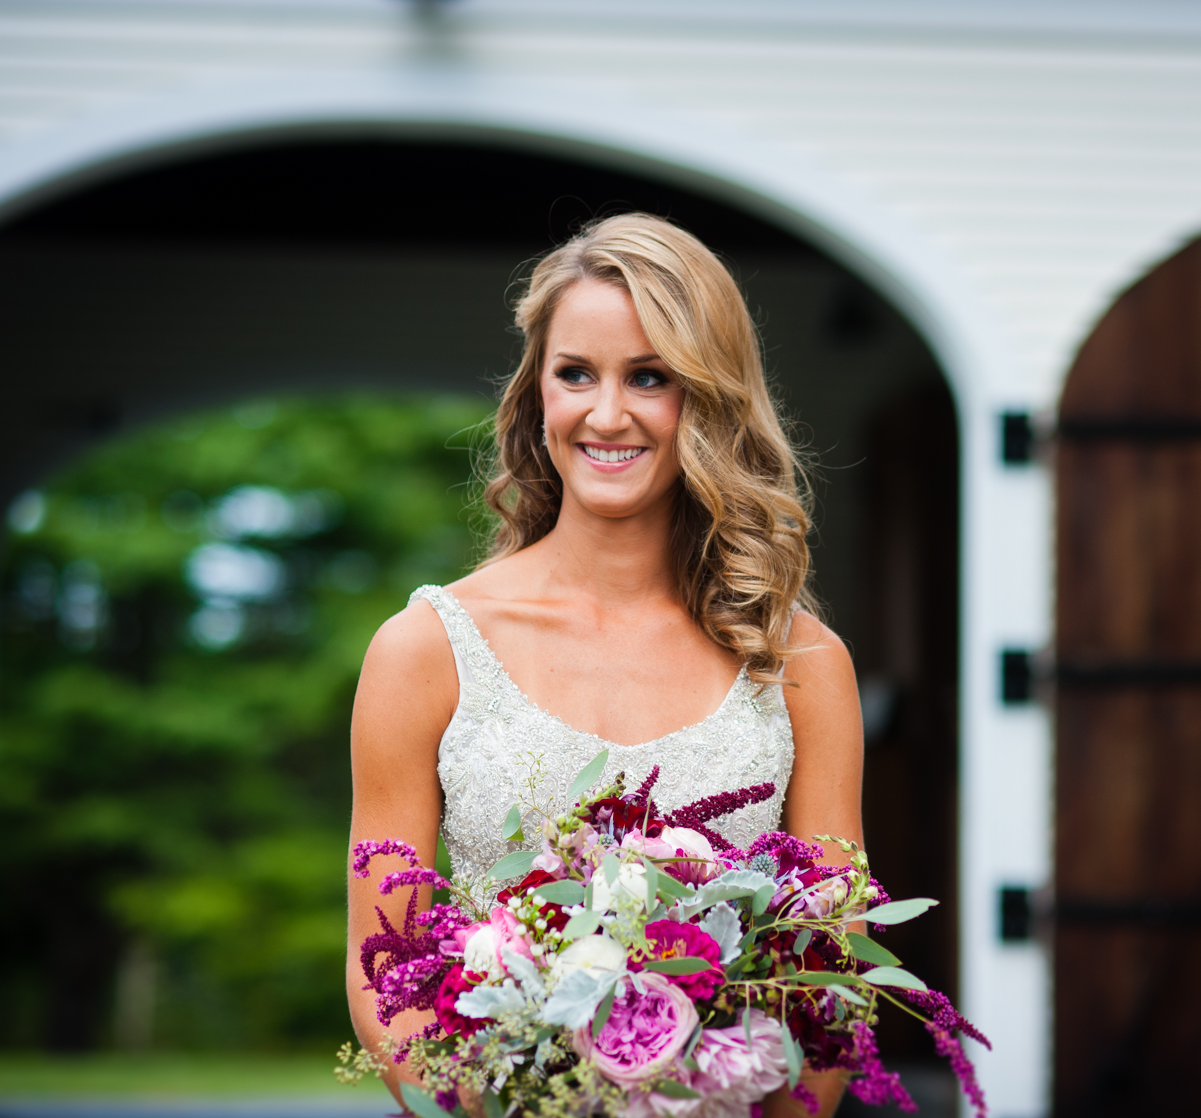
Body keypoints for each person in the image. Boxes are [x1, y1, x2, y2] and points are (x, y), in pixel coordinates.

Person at [346, 214, 865, 1117]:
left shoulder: (803, 665)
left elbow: (832, 967)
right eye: (576, 373)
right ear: (536, 394)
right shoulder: (424, 650)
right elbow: (383, 969)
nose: (607, 413)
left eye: (650, 377)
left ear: (709, 399)